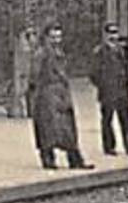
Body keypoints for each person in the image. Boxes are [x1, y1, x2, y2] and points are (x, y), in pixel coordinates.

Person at [23, 24, 92, 170]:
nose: (56, 40)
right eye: (53, 37)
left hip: (61, 94)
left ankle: (74, 159)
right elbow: (34, 77)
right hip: (47, 95)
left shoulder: (59, 53)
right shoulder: (41, 54)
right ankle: (48, 159)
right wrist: (34, 96)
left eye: (58, 37)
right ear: (46, 37)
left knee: (68, 128)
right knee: (48, 129)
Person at [89, 23, 128, 157]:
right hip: (108, 92)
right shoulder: (99, 52)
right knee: (107, 120)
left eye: (115, 33)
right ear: (105, 35)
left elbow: (124, 72)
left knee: (127, 120)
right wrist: (103, 85)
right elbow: (93, 73)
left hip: (121, 92)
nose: (113, 36)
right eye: (111, 33)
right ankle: (109, 147)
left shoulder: (120, 50)